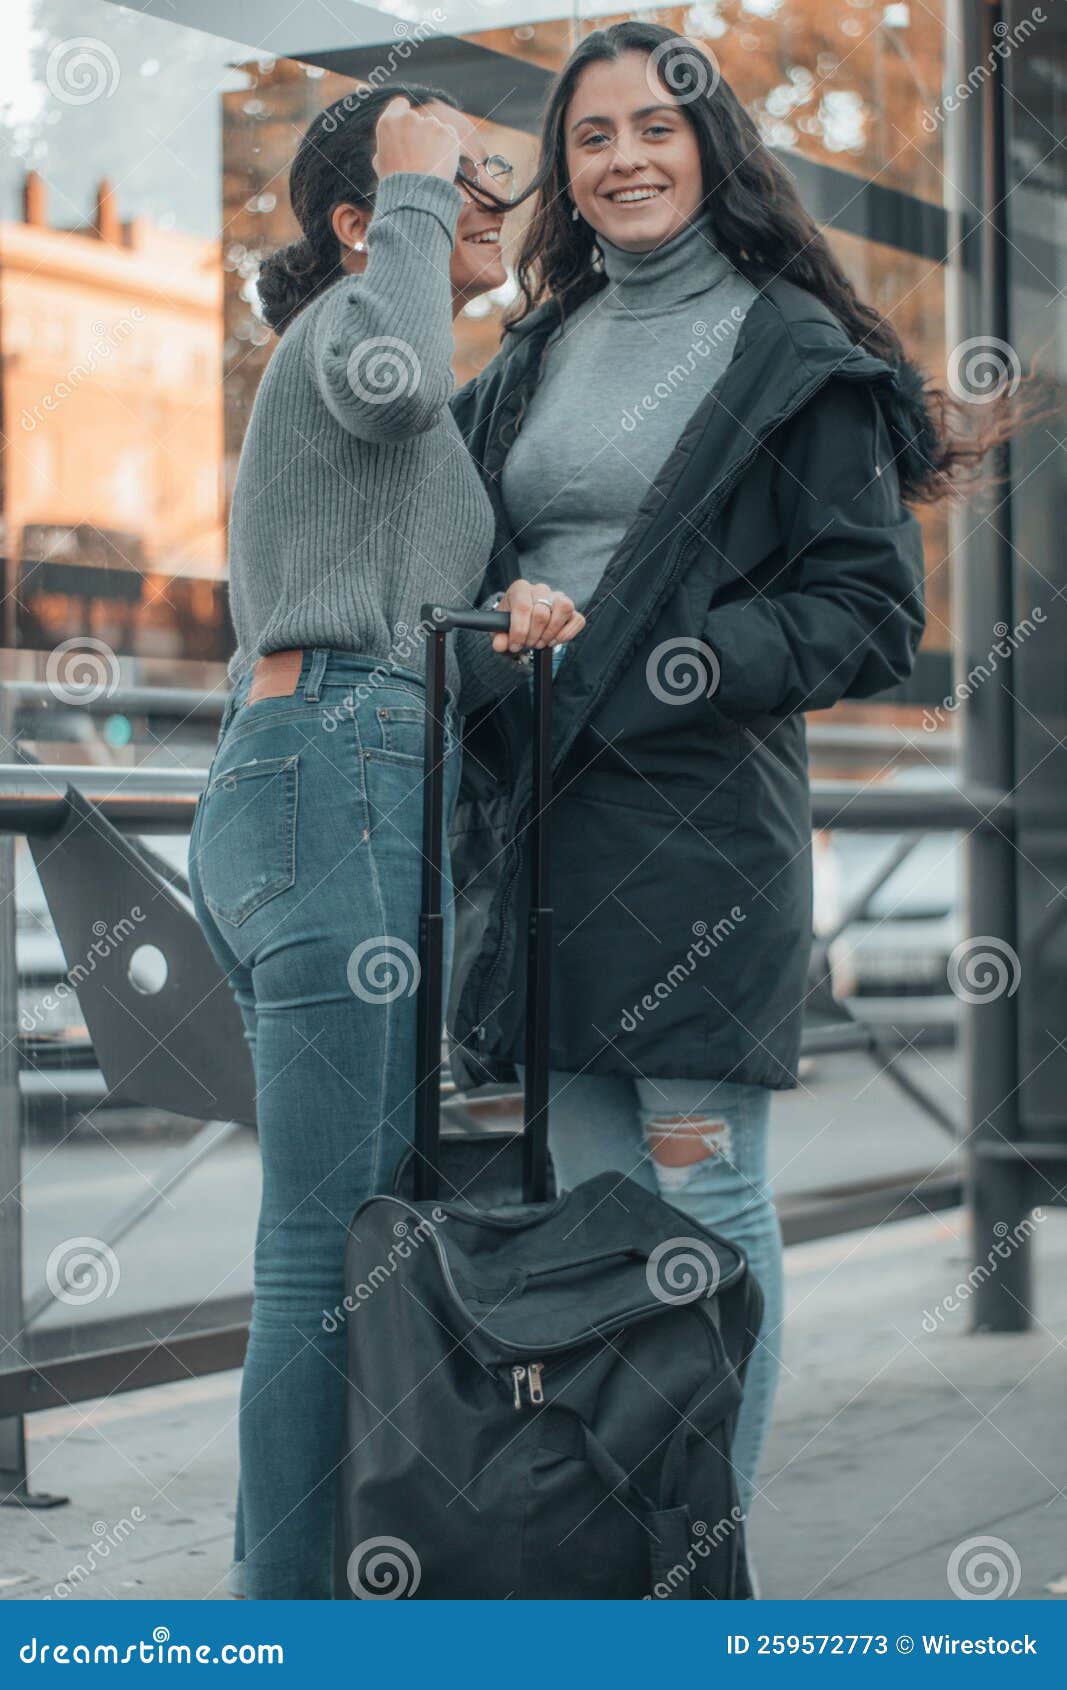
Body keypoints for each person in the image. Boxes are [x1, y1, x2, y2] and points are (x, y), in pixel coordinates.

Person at [447, 22, 1042, 1532]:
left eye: (658, 126)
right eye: (593, 137)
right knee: (596, 1219)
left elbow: (864, 615)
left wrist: (658, 662)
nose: (627, 156)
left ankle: (702, 1565)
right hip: (547, 825)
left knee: (701, 1204)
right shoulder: (534, 351)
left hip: (698, 831)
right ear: (564, 177)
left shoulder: (792, 353)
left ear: (714, 149)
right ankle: (618, 1554)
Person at [188, 83, 583, 1601]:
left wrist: (515, 616)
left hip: (348, 768)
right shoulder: (356, 329)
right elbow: (404, 379)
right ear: (362, 224)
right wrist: (413, 194)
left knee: (360, 1233)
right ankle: (281, 1621)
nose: (481, 200)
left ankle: (308, 1586)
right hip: (331, 769)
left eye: (485, 181)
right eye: (443, 179)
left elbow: (411, 583)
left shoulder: (376, 353)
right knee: (331, 1247)